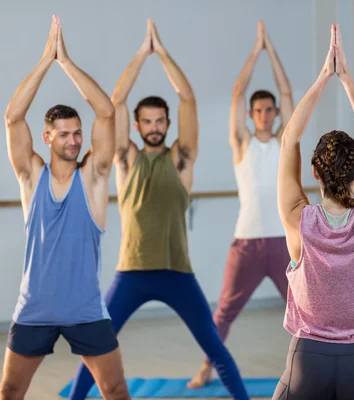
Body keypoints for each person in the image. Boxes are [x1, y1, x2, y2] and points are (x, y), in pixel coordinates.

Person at [67, 20, 249, 400]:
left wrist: (162, 54)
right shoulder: (126, 157)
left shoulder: (182, 158)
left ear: (167, 124)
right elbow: (114, 103)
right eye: (146, 121)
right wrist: (140, 55)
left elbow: (188, 99)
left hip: (176, 272)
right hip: (131, 272)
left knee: (214, 346)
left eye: (159, 121)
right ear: (136, 126)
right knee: (97, 347)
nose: (154, 127)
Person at [1, 16, 130, 400]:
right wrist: (45, 60)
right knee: (8, 390)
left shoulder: (92, 176)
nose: (74, 140)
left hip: (86, 310)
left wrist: (66, 62)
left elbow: (106, 113)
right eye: (65, 134)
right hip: (34, 309)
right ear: (47, 138)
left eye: (77, 133)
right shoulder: (31, 176)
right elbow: (12, 117)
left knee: (116, 390)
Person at [271, 25, 354, 399]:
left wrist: (324, 77)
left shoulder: (299, 219)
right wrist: (347, 80)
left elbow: (289, 139)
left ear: (314, 173)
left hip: (307, 360)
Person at [189, 20, 294, 388]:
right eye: (259, 110)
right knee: (224, 312)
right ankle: (206, 366)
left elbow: (286, 90)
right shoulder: (242, 144)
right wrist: (256, 51)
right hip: (247, 242)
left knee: (304, 309)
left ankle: (311, 367)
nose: (265, 114)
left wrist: (272, 52)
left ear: (276, 114)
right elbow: (237, 92)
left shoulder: (285, 141)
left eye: (270, 110)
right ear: (251, 116)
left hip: (283, 241)